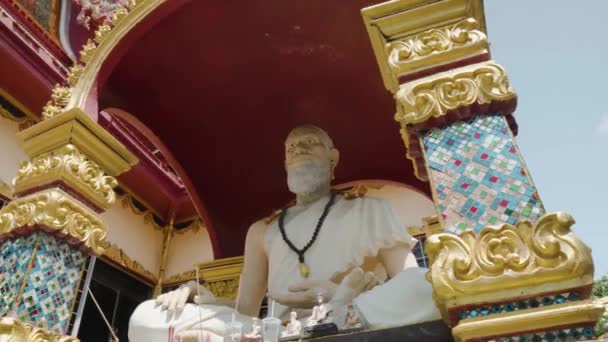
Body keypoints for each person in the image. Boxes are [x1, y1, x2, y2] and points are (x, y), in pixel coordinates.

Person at [129, 125, 440, 342]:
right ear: (285, 162)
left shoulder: (370, 210)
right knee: (146, 317)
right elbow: (245, 310)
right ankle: (298, 331)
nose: (299, 149)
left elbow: (406, 280)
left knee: (424, 286)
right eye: (292, 147)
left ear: (333, 159)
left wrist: (343, 298)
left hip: (352, 315)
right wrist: (197, 297)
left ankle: (338, 315)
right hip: (274, 329)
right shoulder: (262, 231)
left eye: (310, 142)